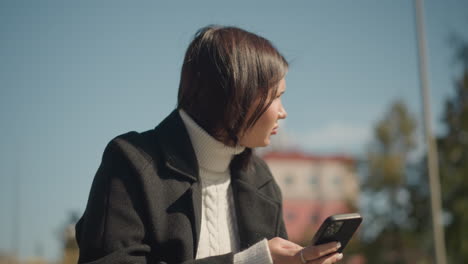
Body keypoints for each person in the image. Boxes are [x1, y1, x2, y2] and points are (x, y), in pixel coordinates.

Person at [75, 25, 343, 264]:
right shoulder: (131, 161)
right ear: (237, 96)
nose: (283, 112)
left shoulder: (261, 179)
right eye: (276, 97)